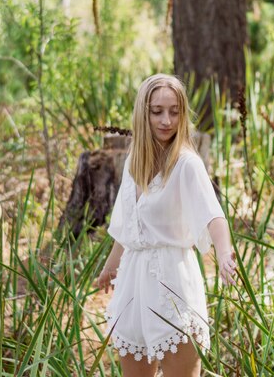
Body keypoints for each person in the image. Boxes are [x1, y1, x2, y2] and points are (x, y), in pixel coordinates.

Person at [94, 74, 237, 377]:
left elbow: (214, 215)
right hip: (133, 281)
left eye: (174, 111)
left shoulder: (187, 164)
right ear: (143, 113)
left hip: (172, 280)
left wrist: (225, 254)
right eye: (157, 111)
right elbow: (129, 227)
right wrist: (110, 268)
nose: (166, 120)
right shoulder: (135, 161)